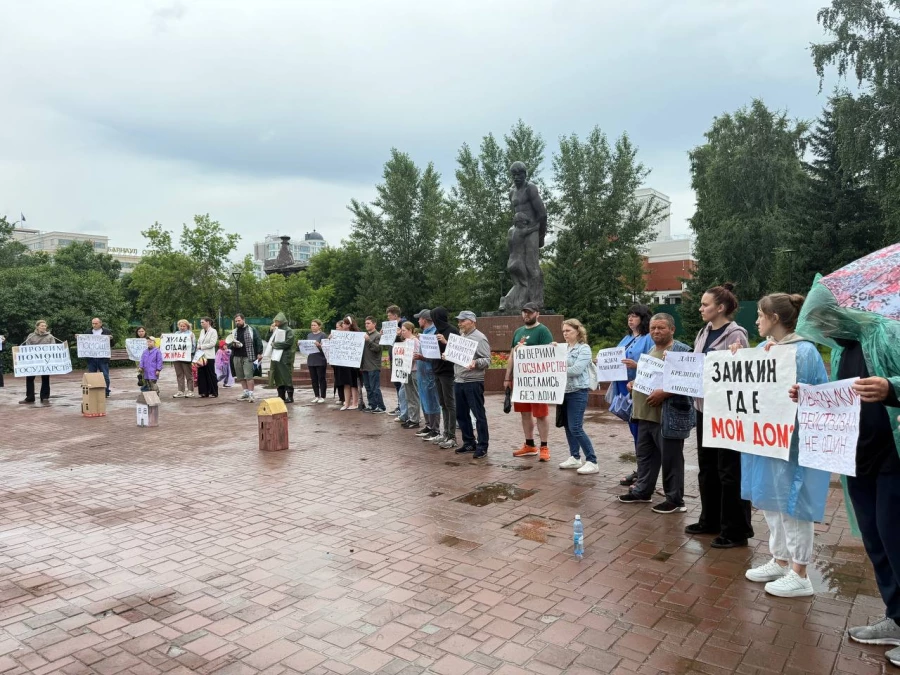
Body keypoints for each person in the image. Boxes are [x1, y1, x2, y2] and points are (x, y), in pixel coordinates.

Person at [797, 281, 900, 659]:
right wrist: (807, 397)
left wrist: (891, 386)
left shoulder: (888, 333)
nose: (823, 329)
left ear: (842, 311)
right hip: (857, 458)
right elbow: (840, 395)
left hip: (893, 458)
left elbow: (889, 387)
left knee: (896, 538)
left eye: (825, 319)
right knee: (876, 541)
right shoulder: (844, 349)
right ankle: (896, 615)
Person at [736, 293, 829, 599]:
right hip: (765, 441)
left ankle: (800, 573)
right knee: (770, 501)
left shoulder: (804, 352)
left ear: (774, 318)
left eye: (761, 315)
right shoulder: (763, 348)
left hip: (792, 443)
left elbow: (820, 397)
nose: (757, 320)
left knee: (794, 505)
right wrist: (738, 360)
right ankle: (779, 560)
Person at [685, 284, 754, 549]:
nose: (701, 308)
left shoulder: (735, 334)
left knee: (729, 471)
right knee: (708, 468)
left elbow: (744, 371)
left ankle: (735, 529)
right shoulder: (703, 332)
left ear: (721, 308)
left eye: (705, 304)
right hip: (704, 410)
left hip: (727, 414)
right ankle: (710, 519)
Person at [617, 313, 694, 514]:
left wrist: (665, 393)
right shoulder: (652, 350)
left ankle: (675, 500)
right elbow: (648, 376)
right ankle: (643, 491)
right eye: (653, 328)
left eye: (661, 328)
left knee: (671, 460)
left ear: (672, 329)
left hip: (666, 417)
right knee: (645, 458)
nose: (656, 332)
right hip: (644, 415)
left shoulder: (681, 350)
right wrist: (635, 383)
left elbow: (689, 382)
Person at [505, 302, 554, 461]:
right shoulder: (518, 332)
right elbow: (512, 355)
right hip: (521, 380)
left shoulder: (543, 331)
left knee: (541, 413)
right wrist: (507, 377)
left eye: (530, 313)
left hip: (537, 380)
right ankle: (530, 444)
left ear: (537, 314)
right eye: (524, 312)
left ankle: (544, 446)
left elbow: (547, 354)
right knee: (524, 413)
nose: (526, 315)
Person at [616, 305, 655, 487]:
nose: (630, 319)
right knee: (635, 432)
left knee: (642, 433)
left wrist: (637, 365)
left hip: (641, 390)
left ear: (643, 318)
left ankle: (645, 474)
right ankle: (641, 470)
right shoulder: (627, 338)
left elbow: (654, 363)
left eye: (634, 316)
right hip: (625, 389)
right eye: (629, 316)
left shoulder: (648, 339)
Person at [446, 311, 491, 459]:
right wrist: (448, 356)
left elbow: (487, 360)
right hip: (459, 380)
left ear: (472, 321)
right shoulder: (462, 336)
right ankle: (469, 442)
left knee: (478, 415)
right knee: (461, 414)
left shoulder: (480, 338)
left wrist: (476, 362)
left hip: (473, 381)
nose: (459, 323)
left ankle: (483, 445)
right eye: (459, 321)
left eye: (462, 321)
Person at [557, 319, 599, 475]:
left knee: (576, 426)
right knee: (568, 426)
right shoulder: (563, 348)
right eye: (563, 331)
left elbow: (576, 370)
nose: (565, 334)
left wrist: (556, 366)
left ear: (578, 331)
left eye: (568, 331)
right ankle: (575, 457)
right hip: (564, 391)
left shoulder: (584, 349)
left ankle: (592, 460)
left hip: (578, 391)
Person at [431, 307, 460, 449]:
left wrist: (445, 341)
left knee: (450, 403)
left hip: (447, 371)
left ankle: (452, 435)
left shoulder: (452, 330)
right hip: (437, 369)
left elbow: (458, 351)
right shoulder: (437, 330)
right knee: (443, 403)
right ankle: (446, 432)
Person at [414, 310, 441, 440]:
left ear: (424, 320)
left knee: (432, 399)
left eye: (419, 319)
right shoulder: (425, 333)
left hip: (430, 371)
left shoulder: (435, 333)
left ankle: (435, 428)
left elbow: (435, 356)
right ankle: (429, 425)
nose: (418, 321)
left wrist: (421, 357)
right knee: (424, 398)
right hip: (422, 372)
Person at [19, 320, 56, 405]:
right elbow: (27, 347)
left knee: (46, 378)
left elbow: (54, 348)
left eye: (45, 326)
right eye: (42, 326)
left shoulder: (50, 336)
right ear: (37, 327)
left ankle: (45, 397)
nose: (44, 327)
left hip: (46, 362)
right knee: (30, 379)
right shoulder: (31, 336)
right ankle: (30, 397)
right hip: (33, 362)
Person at [229, 314, 263, 402]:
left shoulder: (251, 329)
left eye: (239, 320)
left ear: (243, 320)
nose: (237, 322)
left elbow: (258, 340)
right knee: (240, 376)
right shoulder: (234, 331)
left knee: (249, 376)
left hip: (248, 356)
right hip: (236, 356)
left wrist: (259, 353)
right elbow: (228, 343)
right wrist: (233, 345)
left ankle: (251, 394)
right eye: (236, 321)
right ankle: (245, 393)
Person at [334, 316, 361, 411]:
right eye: (343, 324)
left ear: (349, 325)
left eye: (345, 323)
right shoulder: (339, 334)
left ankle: (355, 402)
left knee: (353, 384)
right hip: (343, 362)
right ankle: (346, 402)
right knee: (345, 383)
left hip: (352, 363)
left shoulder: (355, 334)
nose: (343, 325)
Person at [399, 321, 421, 429]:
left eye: (404, 330)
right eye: (401, 330)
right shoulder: (406, 341)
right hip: (407, 370)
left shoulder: (415, 341)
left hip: (414, 370)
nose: (402, 332)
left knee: (414, 395)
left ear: (410, 330)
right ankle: (411, 417)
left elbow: (416, 355)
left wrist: (407, 359)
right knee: (408, 395)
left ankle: (415, 419)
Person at [361, 317, 386, 413]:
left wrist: (368, 341)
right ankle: (372, 405)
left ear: (374, 324)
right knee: (368, 387)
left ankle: (381, 406)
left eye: (368, 323)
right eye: (365, 323)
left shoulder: (378, 335)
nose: (366, 325)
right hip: (365, 366)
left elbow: (378, 349)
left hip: (373, 366)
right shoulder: (365, 335)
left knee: (375, 387)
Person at [270, 312, 296, 403]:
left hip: (285, 356)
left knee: (286, 375)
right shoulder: (275, 330)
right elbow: (268, 340)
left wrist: (276, 345)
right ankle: (281, 395)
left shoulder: (288, 330)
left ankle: (290, 395)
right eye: (275, 321)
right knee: (278, 375)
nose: (276, 323)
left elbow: (289, 342)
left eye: (277, 321)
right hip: (276, 356)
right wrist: (270, 331)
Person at [386, 305, 406, 416]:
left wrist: (399, 335)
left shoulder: (404, 325)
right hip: (394, 357)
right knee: (397, 383)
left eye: (389, 316)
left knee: (402, 384)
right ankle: (400, 405)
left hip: (401, 358)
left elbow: (406, 339)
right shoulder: (391, 326)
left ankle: (404, 407)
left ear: (395, 315)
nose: (388, 318)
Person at [86, 317, 113, 398]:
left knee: (105, 375)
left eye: (96, 323)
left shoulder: (106, 332)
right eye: (93, 323)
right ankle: (93, 391)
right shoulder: (88, 332)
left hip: (103, 358)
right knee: (92, 375)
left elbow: (112, 344)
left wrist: (111, 339)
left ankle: (106, 391)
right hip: (92, 358)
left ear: (100, 323)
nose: (94, 325)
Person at [171, 319, 197, 398]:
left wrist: (190, 353)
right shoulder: (176, 333)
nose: (182, 327)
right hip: (177, 357)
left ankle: (190, 391)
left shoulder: (191, 334)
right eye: (180, 326)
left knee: (188, 374)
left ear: (187, 326)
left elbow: (194, 346)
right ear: (178, 326)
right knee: (179, 374)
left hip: (186, 357)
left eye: (184, 326)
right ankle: (180, 391)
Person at [197, 317, 219, 398]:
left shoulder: (213, 331)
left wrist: (201, 347)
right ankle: (203, 392)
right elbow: (199, 341)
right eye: (201, 322)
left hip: (209, 356)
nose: (201, 324)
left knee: (211, 373)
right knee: (202, 374)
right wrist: (198, 346)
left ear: (208, 322)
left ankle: (214, 391)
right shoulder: (202, 331)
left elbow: (212, 343)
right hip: (201, 356)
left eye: (203, 322)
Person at [307, 319, 328, 403]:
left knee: (321, 378)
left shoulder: (323, 335)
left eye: (315, 325)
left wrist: (319, 345)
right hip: (311, 359)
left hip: (320, 360)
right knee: (314, 379)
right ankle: (316, 395)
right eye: (312, 325)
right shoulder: (309, 335)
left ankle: (322, 396)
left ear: (319, 326)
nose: (313, 327)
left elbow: (326, 348)